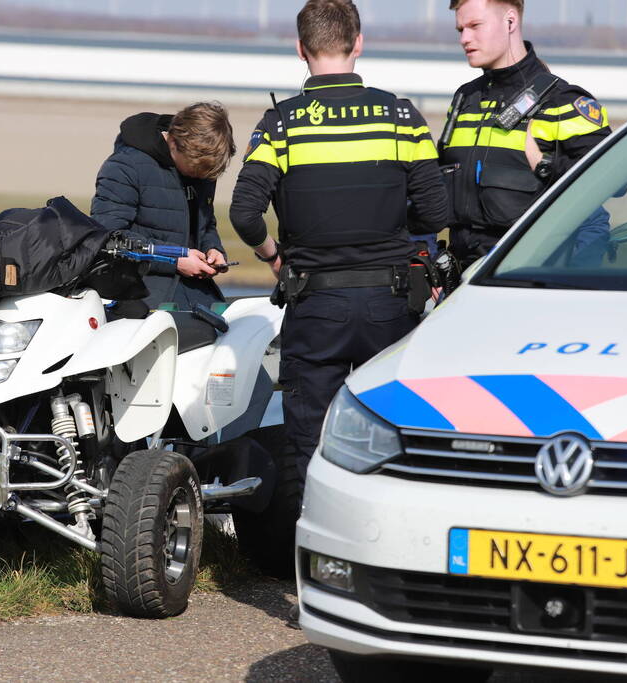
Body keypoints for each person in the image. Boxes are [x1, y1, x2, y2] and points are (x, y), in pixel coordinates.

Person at [229, 0, 448, 493]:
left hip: (315, 306)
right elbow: (436, 213)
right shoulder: (400, 116)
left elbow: (244, 213)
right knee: (395, 434)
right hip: (391, 305)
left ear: (301, 49)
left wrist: (272, 256)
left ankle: (310, 558)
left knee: (309, 440)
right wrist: (392, 225)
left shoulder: (282, 124)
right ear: (359, 43)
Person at [441, 0, 612, 269]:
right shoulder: (464, 98)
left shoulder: (562, 102)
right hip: (461, 278)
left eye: (475, 26)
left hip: (524, 278)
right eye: (460, 29)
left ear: (511, 21)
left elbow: (614, 180)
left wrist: (545, 165)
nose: (465, 38)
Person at [91, 102, 237, 310]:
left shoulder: (202, 165)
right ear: (175, 144)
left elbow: (205, 223)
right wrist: (174, 260)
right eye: (196, 170)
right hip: (141, 295)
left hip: (198, 294)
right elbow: (107, 238)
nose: (201, 176)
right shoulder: (125, 166)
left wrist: (212, 249)